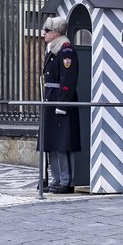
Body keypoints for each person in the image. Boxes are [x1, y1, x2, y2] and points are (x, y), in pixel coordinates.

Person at [38, 16, 81, 194]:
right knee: (52, 143)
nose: (44, 34)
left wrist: (62, 104)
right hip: (50, 98)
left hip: (60, 99)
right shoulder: (52, 49)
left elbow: (68, 80)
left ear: (56, 33)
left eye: (47, 31)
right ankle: (56, 179)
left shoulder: (66, 51)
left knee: (63, 143)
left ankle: (66, 180)